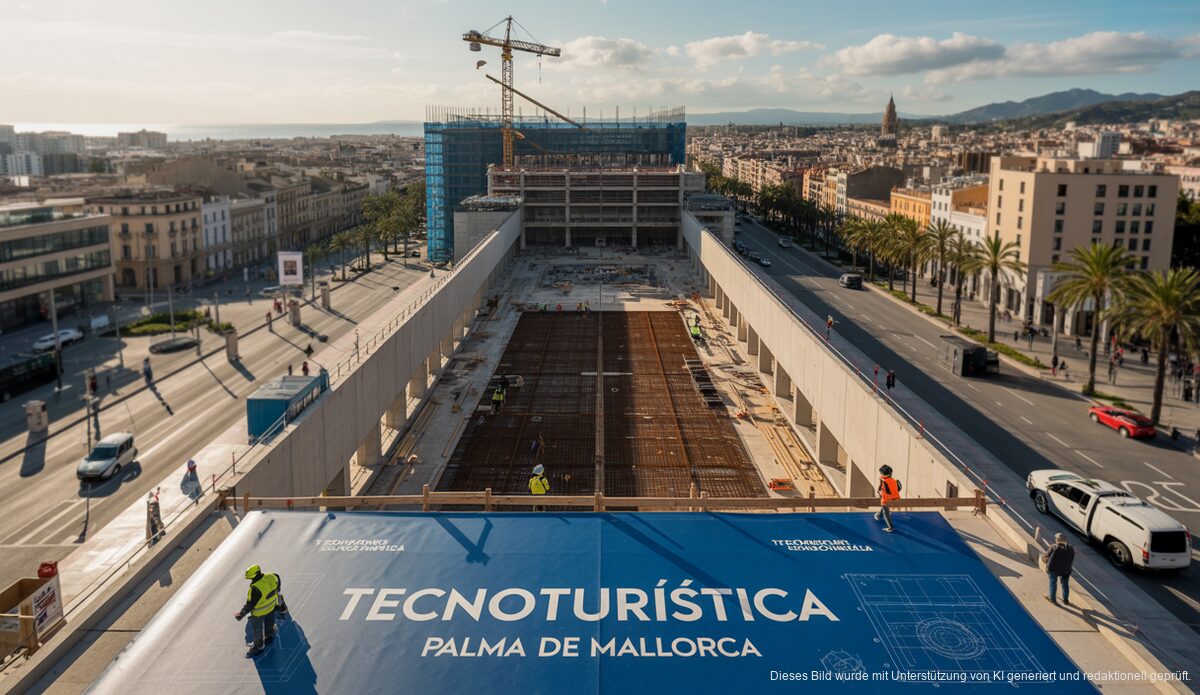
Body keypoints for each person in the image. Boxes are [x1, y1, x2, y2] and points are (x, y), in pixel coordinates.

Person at [235, 565, 282, 657]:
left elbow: (250, 604)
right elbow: (278, 583)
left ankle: (258, 647)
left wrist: (241, 614)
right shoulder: (272, 576)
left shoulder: (255, 589)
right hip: (271, 606)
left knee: (258, 630)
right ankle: (269, 636)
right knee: (269, 623)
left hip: (259, 612)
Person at [1043, 533, 1075, 606]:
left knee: (1053, 583)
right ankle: (1066, 600)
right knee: (1065, 584)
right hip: (1066, 571)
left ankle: (1052, 599)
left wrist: (1043, 557)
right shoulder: (1071, 548)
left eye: (1056, 539)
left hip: (1054, 569)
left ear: (1057, 540)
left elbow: (1046, 556)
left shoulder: (1053, 547)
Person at [874, 465, 901, 533]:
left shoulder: (884, 481)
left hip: (887, 500)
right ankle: (879, 515)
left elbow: (887, 492)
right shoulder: (893, 480)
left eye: (881, 473)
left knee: (886, 513)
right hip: (896, 498)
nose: (881, 474)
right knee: (884, 507)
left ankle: (890, 527)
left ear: (884, 474)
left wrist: (880, 492)